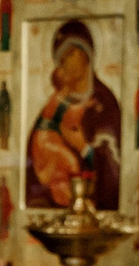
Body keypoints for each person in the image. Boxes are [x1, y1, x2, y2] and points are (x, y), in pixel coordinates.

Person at [25, 18, 121, 209]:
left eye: (71, 54)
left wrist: (84, 147)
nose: (66, 62)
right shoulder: (54, 105)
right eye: (61, 59)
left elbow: (116, 170)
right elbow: (30, 170)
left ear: (87, 55)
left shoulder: (105, 103)